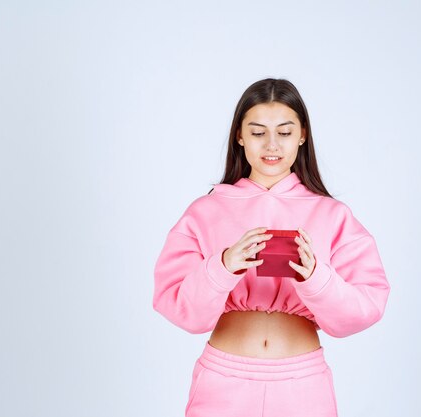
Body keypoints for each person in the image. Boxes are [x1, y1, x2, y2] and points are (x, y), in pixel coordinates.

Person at [152, 78, 391, 417]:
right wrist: (223, 266)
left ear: (302, 135)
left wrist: (315, 277)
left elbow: (364, 309)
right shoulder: (205, 211)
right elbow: (176, 306)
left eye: (284, 131)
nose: (271, 145)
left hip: (302, 387)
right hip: (223, 383)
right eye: (257, 132)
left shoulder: (333, 215)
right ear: (240, 135)